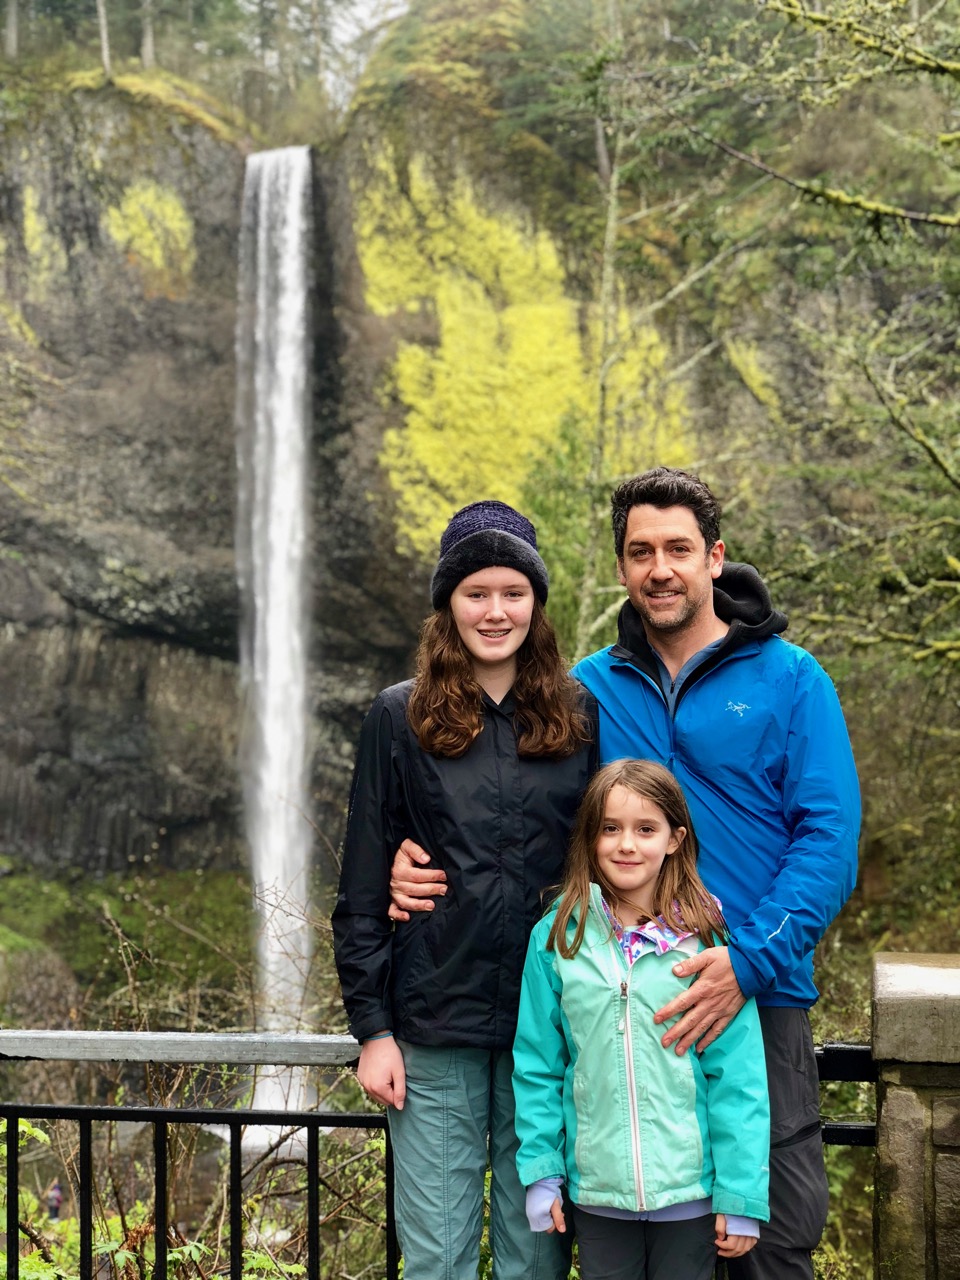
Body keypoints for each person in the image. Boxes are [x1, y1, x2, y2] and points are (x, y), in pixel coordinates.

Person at [389, 468, 861, 1280]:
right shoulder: (589, 691)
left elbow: (830, 840)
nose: (660, 569)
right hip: (613, 1003)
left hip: (758, 1001)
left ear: (715, 558)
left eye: (678, 548)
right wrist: (413, 854)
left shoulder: (790, 679)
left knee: (769, 1245)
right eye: (640, 551)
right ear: (620, 568)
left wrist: (745, 963)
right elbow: (531, 814)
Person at [332, 499, 598, 1280]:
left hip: (549, 1031)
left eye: (513, 593)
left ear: (535, 603)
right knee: (438, 1256)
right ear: (448, 602)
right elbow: (358, 887)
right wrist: (372, 1029)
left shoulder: (578, 713)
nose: (495, 611)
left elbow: (610, 852)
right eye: (475, 592)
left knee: (536, 1257)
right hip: (432, 1027)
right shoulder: (399, 715)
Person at [512, 758, 770, 1280]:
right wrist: (542, 1174)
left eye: (645, 829)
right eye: (610, 828)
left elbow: (737, 1079)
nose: (626, 844)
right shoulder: (557, 936)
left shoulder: (708, 942)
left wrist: (740, 1195)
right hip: (599, 1194)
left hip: (691, 1194)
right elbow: (538, 1064)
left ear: (674, 839)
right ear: (590, 838)